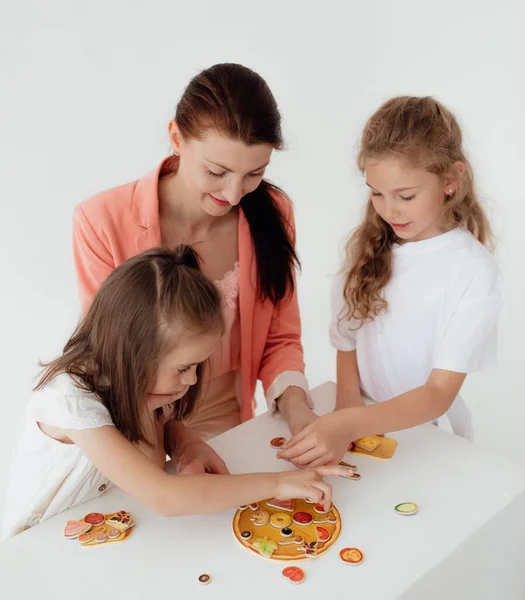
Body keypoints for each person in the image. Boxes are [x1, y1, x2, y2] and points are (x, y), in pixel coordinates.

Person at [2, 246, 351, 539]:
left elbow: (153, 449)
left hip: (103, 530)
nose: (194, 379)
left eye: (198, 365)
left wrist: (185, 443)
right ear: (133, 354)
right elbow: (165, 496)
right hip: (37, 546)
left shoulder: (140, 385)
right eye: (184, 368)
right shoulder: (70, 400)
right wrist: (277, 485)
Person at [73, 63, 316, 453]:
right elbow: (111, 358)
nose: (235, 194)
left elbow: (280, 338)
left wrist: (300, 412)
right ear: (177, 137)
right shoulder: (101, 221)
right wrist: (179, 440)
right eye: (217, 171)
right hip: (138, 433)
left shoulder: (273, 211)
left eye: (254, 174)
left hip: (232, 425)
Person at [278, 96, 503, 468]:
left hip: (428, 435)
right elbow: (347, 339)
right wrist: (347, 407)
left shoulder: (473, 271)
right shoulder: (367, 246)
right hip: (362, 421)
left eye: (406, 196)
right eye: (376, 193)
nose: (388, 210)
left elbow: (438, 394)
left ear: (451, 180)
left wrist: (348, 422)